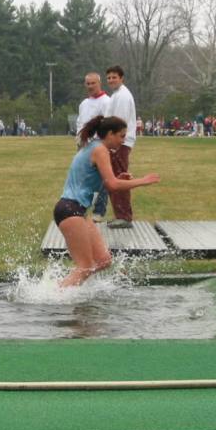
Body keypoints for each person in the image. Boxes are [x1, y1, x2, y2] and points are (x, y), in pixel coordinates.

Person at [53, 115, 160, 287]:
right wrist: (143, 181)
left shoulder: (94, 147)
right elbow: (113, 185)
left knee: (103, 261)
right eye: (121, 136)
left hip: (78, 211)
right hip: (69, 209)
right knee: (85, 267)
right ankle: (55, 298)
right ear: (110, 134)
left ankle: (69, 288)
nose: (123, 140)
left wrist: (118, 178)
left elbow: (102, 181)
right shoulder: (100, 150)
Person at [103, 65, 137, 229]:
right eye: (108, 78)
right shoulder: (116, 95)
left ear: (121, 78)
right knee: (113, 178)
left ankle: (124, 216)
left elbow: (120, 123)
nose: (111, 80)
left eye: (114, 77)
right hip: (115, 142)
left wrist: (115, 144)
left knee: (119, 178)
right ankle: (120, 215)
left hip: (119, 143)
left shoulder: (123, 96)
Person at [75, 72, 110, 222]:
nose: (90, 86)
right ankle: (82, 208)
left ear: (99, 83)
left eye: (93, 83)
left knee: (102, 178)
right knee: (84, 177)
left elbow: (107, 124)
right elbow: (80, 123)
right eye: (87, 83)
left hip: (98, 144)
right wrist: (79, 139)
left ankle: (99, 212)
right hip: (83, 145)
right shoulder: (83, 104)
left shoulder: (107, 102)